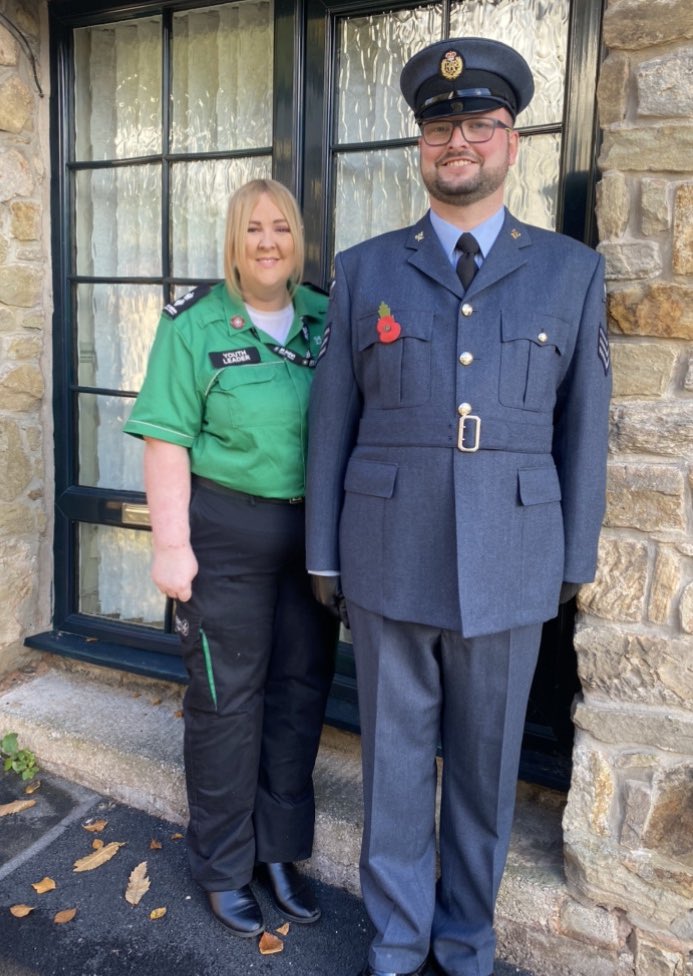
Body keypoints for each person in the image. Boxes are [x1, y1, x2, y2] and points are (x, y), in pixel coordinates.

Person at [306, 37, 611, 976]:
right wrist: (323, 554)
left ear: (511, 142)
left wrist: (574, 557)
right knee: (394, 765)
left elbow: (584, 425)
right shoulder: (365, 270)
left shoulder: (570, 271)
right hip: (389, 546)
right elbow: (331, 421)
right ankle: (397, 942)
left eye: (480, 124)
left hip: (513, 553)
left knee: (484, 768)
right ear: (420, 146)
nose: (459, 140)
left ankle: (465, 940)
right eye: (441, 125)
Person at [124, 178, 337, 938]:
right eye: (253, 229)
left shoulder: (323, 316)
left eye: (281, 228)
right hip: (224, 537)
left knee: (299, 693)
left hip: (312, 542)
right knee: (226, 703)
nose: (269, 242)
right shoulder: (195, 324)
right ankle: (223, 864)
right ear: (234, 240)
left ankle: (279, 851)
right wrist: (171, 547)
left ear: (297, 239)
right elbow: (165, 439)